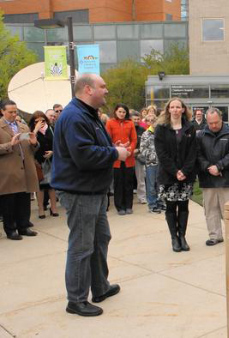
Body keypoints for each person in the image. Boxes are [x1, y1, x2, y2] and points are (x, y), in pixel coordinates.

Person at [52, 73, 128, 317]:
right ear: (87, 89)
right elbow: (83, 156)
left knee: (100, 238)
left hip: (93, 191)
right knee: (82, 247)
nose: (106, 90)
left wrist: (113, 149)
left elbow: (93, 147)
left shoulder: (88, 114)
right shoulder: (75, 116)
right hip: (80, 192)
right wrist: (115, 154)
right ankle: (76, 299)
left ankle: (100, 287)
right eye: (102, 86)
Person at [154, 98, 196, 252]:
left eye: (179, 107)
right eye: (173, 107)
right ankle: (174, 238)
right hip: (168, 175)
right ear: (168, 109)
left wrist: (184, 171)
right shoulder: (161, 128)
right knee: (171, 206)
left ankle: (182, 236)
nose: (176, 110)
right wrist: (175, 171)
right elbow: (161, 154)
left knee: (184, 205)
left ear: (183, 109)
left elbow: (193, 153)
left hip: (186, 175)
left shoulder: (190, 128)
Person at [196, 107, 229, 246]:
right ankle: (215, 235)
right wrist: (209, 167)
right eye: (211, 123)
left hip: (227, 178)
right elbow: (197, 154)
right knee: (210, 208)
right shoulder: (200, 135)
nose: (214, 125)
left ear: (221, 119)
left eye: (216, 122)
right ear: (206, 121)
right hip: (207, 178)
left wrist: (219, 166)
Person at [0, 99, 40, 240]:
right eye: (10, 112)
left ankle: (23, 226)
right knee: (9, 202)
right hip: (8, 171)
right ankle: (11, 229)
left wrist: (34, 143)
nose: (13, 114)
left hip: (26, 169)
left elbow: (31, 148)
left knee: (24, 200)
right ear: (2, 111)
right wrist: (9, 145)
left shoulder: (23, 127)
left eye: (15, 111)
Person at [105, 104, 137, 215]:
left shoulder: (130, 123)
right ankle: (120, 206)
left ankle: (129, 205)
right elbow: (107, 140)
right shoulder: (110, 123)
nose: (122, 114)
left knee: (128, 183)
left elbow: (134, 140)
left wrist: (129, 150)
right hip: (116, 158)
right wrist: (116, 147)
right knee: (118, 183)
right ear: (115, 112)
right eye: (120, 111)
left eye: (124, 112)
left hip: (128, 158)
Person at [28, 111, 58, 219]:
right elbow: (29, 145)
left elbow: (58, 144)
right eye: (37, 121)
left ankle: (53, 207)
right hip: (38, 162)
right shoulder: (31, 131)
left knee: (52, 186)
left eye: (43, 120)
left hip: (51, 160)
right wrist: (35, 130)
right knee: (40, 187)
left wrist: (53, 152)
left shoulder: (51, 129)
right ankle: (41, 209)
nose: (40, 123)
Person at [139, 114, 162, 214]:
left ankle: (160, 202)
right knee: (151, 185)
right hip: (151, 163)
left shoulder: (161, 133)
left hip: (161, 163)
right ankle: (152, 204)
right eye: (150, 120)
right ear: (147, 122)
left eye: (154, 120)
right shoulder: (145, 134)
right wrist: (152, 156)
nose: (152, 122)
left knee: (160, 184)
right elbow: (142, 149)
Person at [130, 111, 147, 204]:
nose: (136, 121)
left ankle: (142, 197)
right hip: (128, 156)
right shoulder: (128, 128)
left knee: (140, 178)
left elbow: (144, 143)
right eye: (134, 119)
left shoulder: (142, 129)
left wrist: (138, 150)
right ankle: (129, 198)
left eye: (137, 119)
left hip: (138, 156)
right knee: (127, 179)